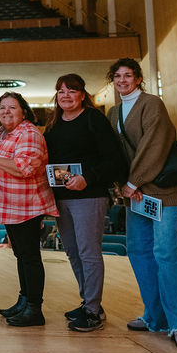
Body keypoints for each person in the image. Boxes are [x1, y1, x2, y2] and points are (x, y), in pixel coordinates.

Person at [106, 58, 177, 351]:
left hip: (162, 192)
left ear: (138, 78)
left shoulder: (152, 104)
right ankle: (155, 316)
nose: (122, 80)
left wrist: (134, 182)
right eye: (117, 76)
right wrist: (121, 185)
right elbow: (117, 153)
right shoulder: (113, 112)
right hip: (135, 195)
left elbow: (155, 145)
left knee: (169, 253)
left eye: (128, 75)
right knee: (140, 251)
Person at [43, 73, 127, 333]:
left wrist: (86, 178)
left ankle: (92, 310)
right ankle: (89, 302)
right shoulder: (54, 124)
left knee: (89, 253)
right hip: (62, 197)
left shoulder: (94, 119)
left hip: (89, 195)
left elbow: (114, 159)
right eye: (61, 91)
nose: (65, 95)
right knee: (72, 252)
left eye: (71, 90)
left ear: (82, 95)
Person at [0, 92, 57, 327]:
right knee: (21, 255)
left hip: (27, 205)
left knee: (30, 257)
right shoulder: (4, 133)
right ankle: (24, 300)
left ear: (24, 111)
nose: (6, 112)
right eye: (2, 108)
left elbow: (25, 168)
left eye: (12, 108)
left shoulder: (29, 133)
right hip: (11, 206)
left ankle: (35, 309)